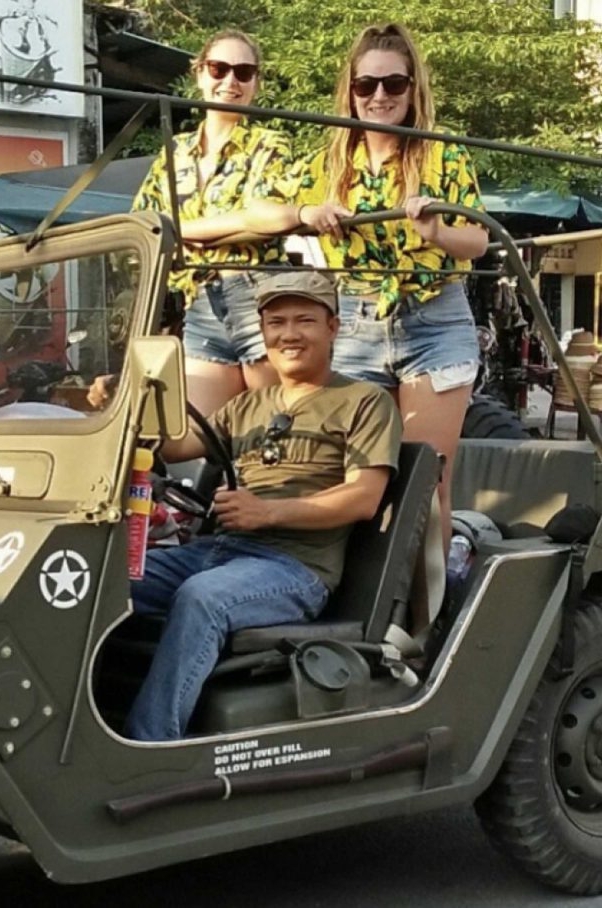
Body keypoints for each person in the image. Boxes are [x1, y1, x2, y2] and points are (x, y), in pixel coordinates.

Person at [179, 23, 488, 550]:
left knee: (424, 482)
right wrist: (304, 212)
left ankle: (431, 619)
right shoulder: (328, 161)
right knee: (351, 476)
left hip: (433, 318)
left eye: (394, 84)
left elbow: (478, 240)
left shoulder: (441, 153)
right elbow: (260, 212)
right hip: (357, 321)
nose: (380, 96)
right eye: (366, 85)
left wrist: (437, 231)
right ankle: (366, 615)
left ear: (414, 88)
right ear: (350, 90)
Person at [125, 270, 401, 742]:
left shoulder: (364, 402)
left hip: (295, 567)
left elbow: (362, 498)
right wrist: (126, 409)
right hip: (219, 552)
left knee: (202, 600)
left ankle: (150, 747)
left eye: (304, 321)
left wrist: (267, 512)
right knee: (101, 581)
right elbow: (175, 447)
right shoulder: (248, 404)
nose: (288, 334)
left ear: (332, 327)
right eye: (276, 323)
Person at [89, 29, 292, 417]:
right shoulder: (174, 151)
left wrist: (181, 232)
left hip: (251, 296)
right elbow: (144, 225)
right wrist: (227, 226)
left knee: (272, 427)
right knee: (186, 433)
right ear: (199, 73)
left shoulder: (272, 144)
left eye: (244, 72)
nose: (230, 81)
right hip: (182, 308)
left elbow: (267, 222)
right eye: (219, 68)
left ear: (256, 83)